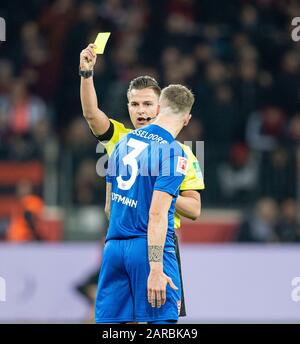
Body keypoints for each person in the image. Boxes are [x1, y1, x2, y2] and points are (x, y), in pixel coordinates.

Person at [80, 43, 205, 318]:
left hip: (158, 240)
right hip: (132, 239)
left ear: (161, 108)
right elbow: (91, 114)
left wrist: (157, 191)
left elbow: (194, 209)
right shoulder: (121, 137)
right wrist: (86, 74)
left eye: (148, 104)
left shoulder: (183, 153)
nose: (141, 111)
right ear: (128, 107)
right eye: (135, 104)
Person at [96, 84, 194, 323]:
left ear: (159, 109)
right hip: (147, 249)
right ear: (187, 119)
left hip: (113, 248)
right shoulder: (173, 152)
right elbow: (158, 215)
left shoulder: (123, 142)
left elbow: (109, 207)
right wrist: (156, 268)